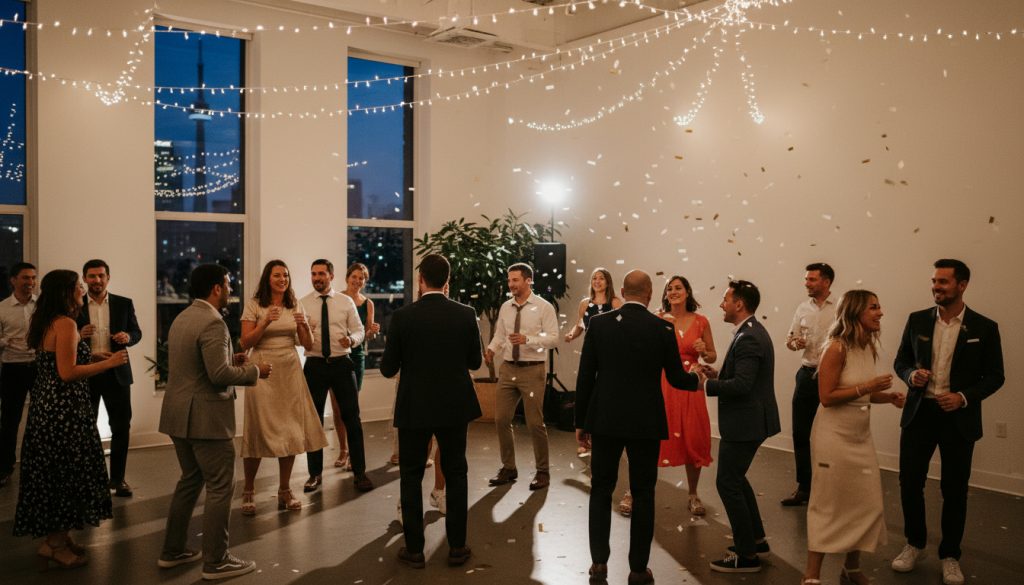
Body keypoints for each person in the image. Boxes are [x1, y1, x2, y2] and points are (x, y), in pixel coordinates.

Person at [574, 270, 702, 585]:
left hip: (605, 419)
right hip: (645, 422)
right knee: (644, 492)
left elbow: (585, 377)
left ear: (624, 290)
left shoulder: (599, 325)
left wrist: (581, 422)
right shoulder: (661, 328)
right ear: (648, 293)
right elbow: (675, 377)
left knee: (601, 489)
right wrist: (696, 378)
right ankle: (637, 568)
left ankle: (599, 564)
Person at [891, 259, 1004, 585]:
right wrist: (911, 375)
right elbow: (900, 361)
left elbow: (995, 376)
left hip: (958, 417)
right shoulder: (916, 321)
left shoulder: (984, 327)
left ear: (962, 285)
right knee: (909, 482)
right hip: (919, 414)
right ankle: (914, 544)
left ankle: (950, 555)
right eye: (934, 281)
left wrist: (964, 397)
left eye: (943, 282)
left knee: (954, 488)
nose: (936, 287)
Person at [158, 264, 270, 581]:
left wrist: (231, 360)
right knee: (221, 487)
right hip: (205, 419)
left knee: (190, 480)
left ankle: (172, 550)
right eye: (228, 284)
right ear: (216, 288)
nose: (231, 289)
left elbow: (196, 366)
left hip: (178, 416)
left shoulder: (183, 317)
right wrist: (255, 372)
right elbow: (217, 376)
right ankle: (217, 560)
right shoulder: (213, 323)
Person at [13, 269, 127, 569]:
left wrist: (94, 356)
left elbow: (61, 360)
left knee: (54, 475)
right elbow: (67, 372)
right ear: (67, 291)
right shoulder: (65, 323)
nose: (82, 289)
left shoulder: (47, 320)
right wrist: (111, 363)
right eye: (77, 285)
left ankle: (57, 539)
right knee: (64, 476)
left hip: (48, 409)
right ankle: (55, 544)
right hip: (63, 413)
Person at [380, 253, 482, 569]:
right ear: (447, 282)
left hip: (415, 405)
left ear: (421, 280)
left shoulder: (402, 317)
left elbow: (387, 368)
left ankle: (414, 550)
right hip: (453, 405)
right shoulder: (466, 314)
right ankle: (457, 547)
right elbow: (475, 363)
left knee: (410, 474)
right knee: (456, 472)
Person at [801, 290, 905, 585]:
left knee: (866, 502)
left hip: (860, 438)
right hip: (833, 438)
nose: (880, 312)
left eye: (879, 305)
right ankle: (811, 574)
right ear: (856, 311)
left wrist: (888, 397)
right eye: (874, 307)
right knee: (828, 502)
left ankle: (852, 567)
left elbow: (863, 392)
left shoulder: (866, 346)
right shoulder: (835, 347)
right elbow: (827, 397)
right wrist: (868, 386)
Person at [700, 280, 780, 573]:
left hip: (746, 422)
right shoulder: (750, 332)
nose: (722, 304)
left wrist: (706, 384)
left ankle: (747, 556)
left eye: (725, 299)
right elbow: (745, 376)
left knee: (727, 482)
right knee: (737, 478)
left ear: (740, 304)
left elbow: (743, 385)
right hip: (750, 419)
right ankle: (756, 539)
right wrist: (719, 373)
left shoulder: (748, 337)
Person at [239, 260, 329, 513]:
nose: (283, 279)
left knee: (290, 430)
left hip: (290, 369)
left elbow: (308, 345)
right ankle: (248, 489)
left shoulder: (295, 303)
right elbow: (244, 343)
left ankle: (285, 489)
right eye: (277, 275)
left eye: (286, 275)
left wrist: (302, 324)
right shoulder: (255, 304)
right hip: (262, 370)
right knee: (258, 428)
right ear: (268, 278)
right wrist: (265, 322)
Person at [298, 259, 372, 493]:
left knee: (353, 419)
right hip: (315, 366)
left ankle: (360, 473)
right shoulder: (303, 304)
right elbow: (298, 338)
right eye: (313, 274)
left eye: (321, 273)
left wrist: (352, 340)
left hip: (342, 364)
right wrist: (303, 330)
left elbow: (360, 330)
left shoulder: (345, 301)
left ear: (331, 275)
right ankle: (314, 475)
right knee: (314, 422)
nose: (317, 278)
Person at [484, 263, 559, 490]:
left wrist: (529, 340)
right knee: (501, 419)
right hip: (508, 368)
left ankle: (543, 472)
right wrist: (491, 350)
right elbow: (500, 335)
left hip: (533, 370)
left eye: (515, 280)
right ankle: (509, 468)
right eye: (509, 280)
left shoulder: (544, 307)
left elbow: (554, 338)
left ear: (528, 281)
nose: (511, 284)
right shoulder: (506, 307)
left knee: (535, 423)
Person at [75, 259, 142, 498]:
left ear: (108, 278)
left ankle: (118, 480)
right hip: (87, 373)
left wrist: (128, 337)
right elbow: (64, 339)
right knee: (86, 429)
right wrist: (78, 335)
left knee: (121, 427)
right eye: (92, 276)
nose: (97, 280)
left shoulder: (124, 303)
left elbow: (137, 332)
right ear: (84, 279)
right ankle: (92, 480)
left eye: (101, 276)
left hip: (118, 375)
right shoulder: (75, 305)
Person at [782, 263, 836, 507]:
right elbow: (790, 339)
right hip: (806, 374)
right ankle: (804, 487)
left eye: (812, 279)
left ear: (826, 282)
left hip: (832, 377)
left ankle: (831, 488)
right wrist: (794, 343)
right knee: (800, 433)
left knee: (831, 435)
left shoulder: (840, 308)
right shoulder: (802, 308)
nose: (807, 283)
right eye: (806, 279)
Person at [564, 268, 622, 461]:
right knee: (585, 391)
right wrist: (572, 335)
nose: (597, 281)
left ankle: (605, 432)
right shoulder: (585, 304)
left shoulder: (615, 302)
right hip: (590, 354)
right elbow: (579, 325)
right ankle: (584, 437)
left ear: (608, 282)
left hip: (610, 354)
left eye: (601, 278)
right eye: (594, 278)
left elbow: (622, 327)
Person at [328, 262, 380, 471]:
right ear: (347, 277)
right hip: (336, 355)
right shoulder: (336, 299)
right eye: (355, 276)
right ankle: (343, 450)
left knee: (350, 407)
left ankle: (352, 453)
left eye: (362, 278)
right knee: (336, 407)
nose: (357, 281)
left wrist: (373, 331)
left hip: (356, 357)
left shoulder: (367, 303)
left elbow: (367, 334)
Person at [0, 262, 37, 488]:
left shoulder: (42, 305)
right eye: (25, 278)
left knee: (39, 418)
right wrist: (6, 341)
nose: (30, 282)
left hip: (38, 366)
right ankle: (5, 467)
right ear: (13, 280)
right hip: (12, 368)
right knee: (9, 420)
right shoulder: (2, 307)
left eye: (33, 278)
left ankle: (34, 465)